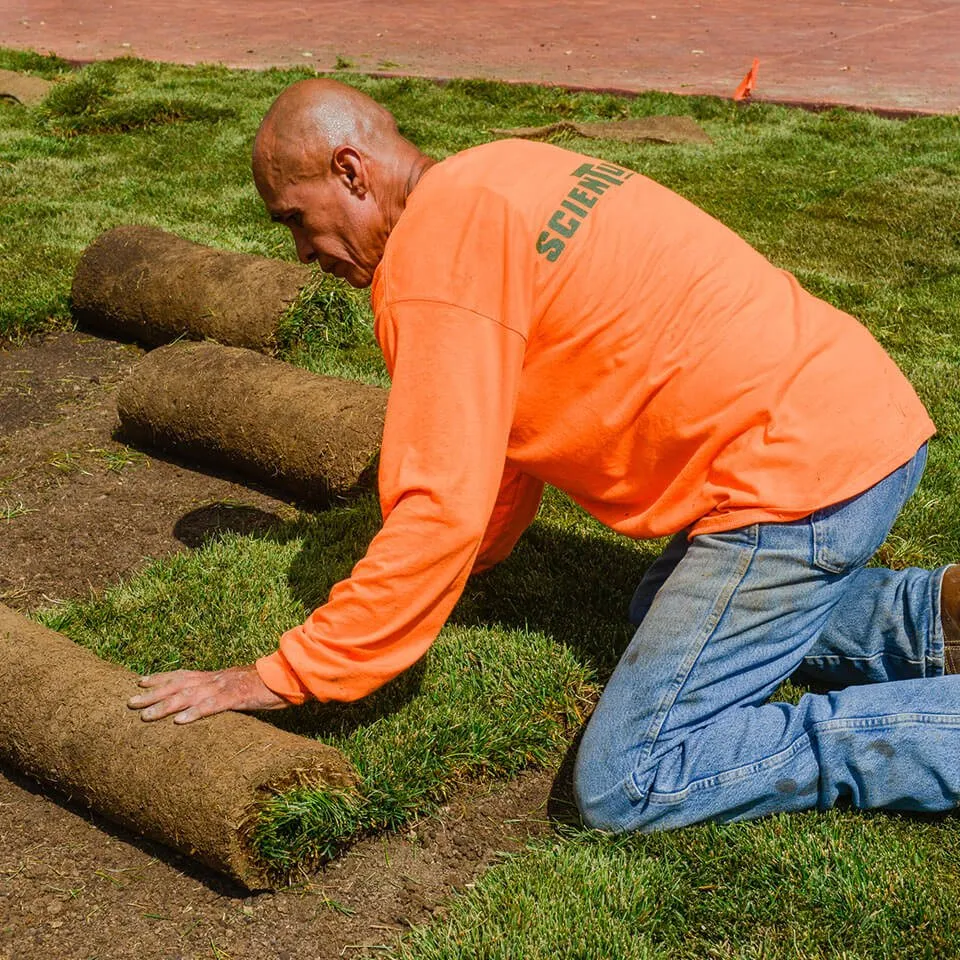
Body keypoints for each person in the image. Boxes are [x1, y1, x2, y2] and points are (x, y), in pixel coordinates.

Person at [129, 78, 960, 832]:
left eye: (296, 221)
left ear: (351, 171)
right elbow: (501, 449)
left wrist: (281, 675)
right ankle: (937, 622)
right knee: (653, 611)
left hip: (795, 483)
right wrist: (473, 567)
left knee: (631, 779)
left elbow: (439, 504)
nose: (303, 254)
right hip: (855, 410)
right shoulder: (500, 169)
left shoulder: (430, 267)